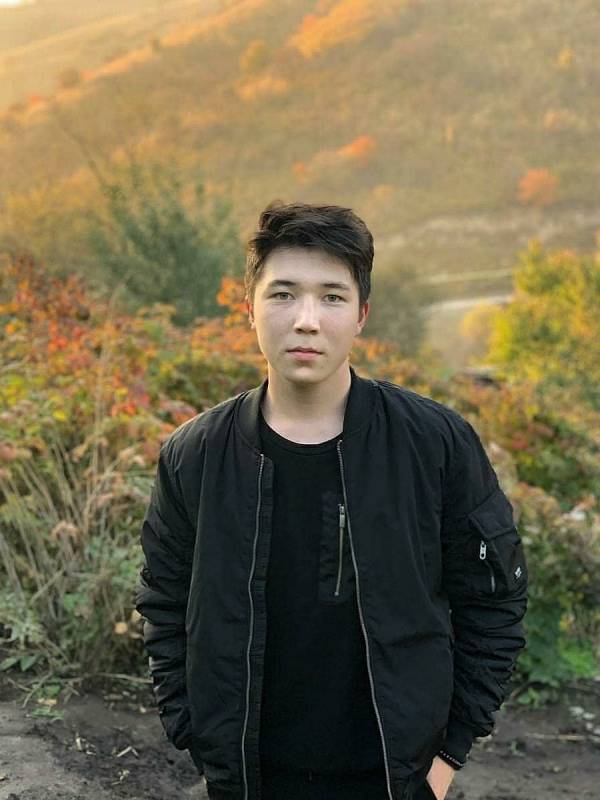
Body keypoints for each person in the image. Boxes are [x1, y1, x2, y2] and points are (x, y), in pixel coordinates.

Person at [135, 201, 528, 800]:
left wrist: (447, 757)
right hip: (249, 779)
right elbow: (165, 602)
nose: (307, 321)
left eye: (332, 297)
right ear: (250, 308)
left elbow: (494, 600)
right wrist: (194, 735)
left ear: (361, 314)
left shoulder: (434, 444)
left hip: (394, 779)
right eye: (283, 294)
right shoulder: (195, 455)